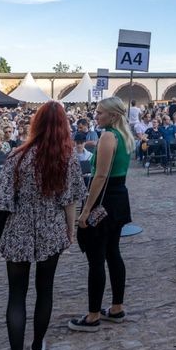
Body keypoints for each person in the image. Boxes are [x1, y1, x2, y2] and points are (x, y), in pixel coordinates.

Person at [0, 102, 85, 350]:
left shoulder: (17, 156)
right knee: (45, 290)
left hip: (19, 228)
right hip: (50, 228)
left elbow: (1, 200)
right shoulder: (66, 158)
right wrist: (70, 229)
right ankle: (36, 347)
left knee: (16, 295)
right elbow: (70, 199)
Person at [71, 96, 134, 331]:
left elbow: (100, 175)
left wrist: (86, 209)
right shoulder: (125, 136)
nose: (95, 116)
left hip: (105, 199)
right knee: (113, 252)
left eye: (100, 113)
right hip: (119, 197)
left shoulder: (109, 136)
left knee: (97, 258)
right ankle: (116, 307)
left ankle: (93, 315)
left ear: (113, 115)